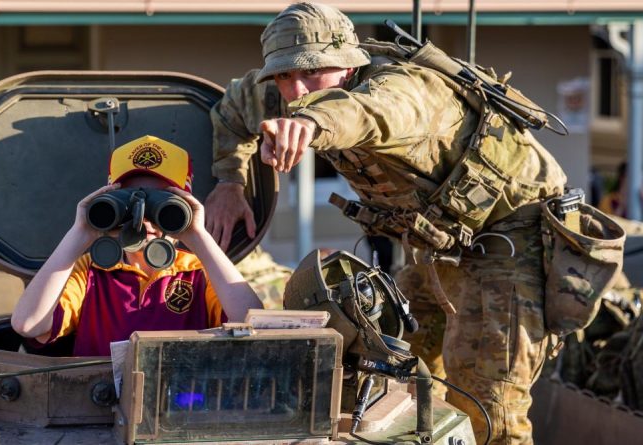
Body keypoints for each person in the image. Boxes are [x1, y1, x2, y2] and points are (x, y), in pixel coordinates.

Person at [204, 3, 569, 444]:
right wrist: (230, 183)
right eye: (282, 76)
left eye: (310, 72)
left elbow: (370, 114)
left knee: (489, 412)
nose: (296, 89)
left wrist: (310, 122)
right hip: (437, 248)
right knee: (394, 380)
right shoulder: (286, 91)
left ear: (348, 62)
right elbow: (230, 111)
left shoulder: (405, 89)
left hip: (509, 246)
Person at [11, 135, 263, 356]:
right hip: (99, 405)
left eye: (162, 203)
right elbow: (28, 324)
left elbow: (252, 324)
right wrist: (81, 232)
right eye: (129, 203)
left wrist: (197, 235)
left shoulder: (199, 271)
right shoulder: (90, 271)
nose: (144, 217)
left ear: (185, 204)